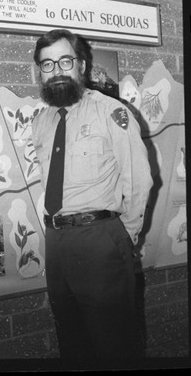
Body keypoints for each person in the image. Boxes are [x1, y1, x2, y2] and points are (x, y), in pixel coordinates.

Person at [31, 29, 153, 361]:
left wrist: (123, 237)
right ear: (39, 71)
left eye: (65, 60)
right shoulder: (41, 121)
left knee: (114, 346)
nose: (56, 70)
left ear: (81, 66)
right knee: (72, 344)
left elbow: (140, 180)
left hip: (101, 242)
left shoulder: (111, 112)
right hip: (56, 242)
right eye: (47, 64)